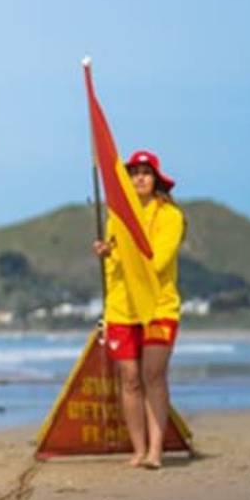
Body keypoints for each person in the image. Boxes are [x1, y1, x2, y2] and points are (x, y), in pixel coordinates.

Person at [94, 150, 185, 469]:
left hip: (158, 306)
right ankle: (138, 449)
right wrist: (107, 251)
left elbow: (157, 261)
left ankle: (156, 452)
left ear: (157, 179)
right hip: (122, 307)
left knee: (153, 375)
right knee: (130, 379)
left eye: (146, 172)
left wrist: (124, 252)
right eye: (134, 173)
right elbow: (116, 266)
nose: (140, 178)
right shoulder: (115, 218)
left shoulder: (170, 216)